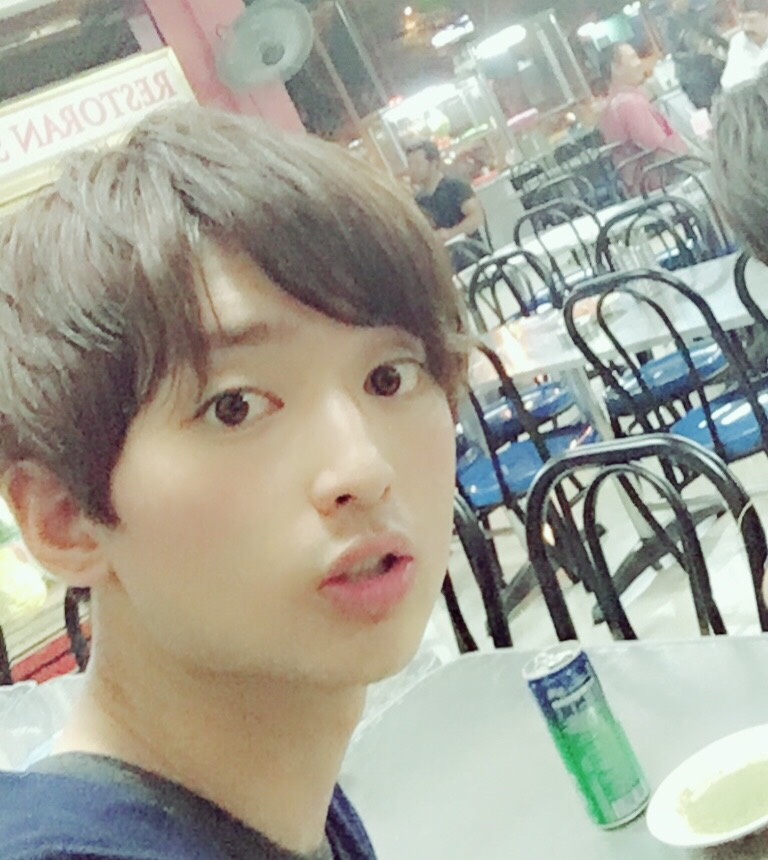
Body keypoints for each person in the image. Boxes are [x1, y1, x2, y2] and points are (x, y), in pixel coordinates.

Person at [0, 105, 466, 859]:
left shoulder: (273, 796)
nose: (363, 469)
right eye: (236, 406)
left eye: (390, 375)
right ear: (65, 518)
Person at [599, 42, 688, 194]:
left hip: (639, 186)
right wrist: (694, 156)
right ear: (616, 68)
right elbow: (663, 149)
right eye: (632, 58)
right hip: (662, 183)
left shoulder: (611, 105)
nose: (639, 63)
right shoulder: (629, 104)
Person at [405, 140, 487, 271]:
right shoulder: (418, 201)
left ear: (433, 163)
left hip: (472, 258)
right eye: (410, 164)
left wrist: (451, 233)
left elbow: (477, 216)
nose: (412, 170)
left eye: (418, 164)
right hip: (445, 266)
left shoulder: (455, 186)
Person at [665, 0, 727, 109]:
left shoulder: (695, 15)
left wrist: (729, 47)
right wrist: (696, 55)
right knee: (710, 109)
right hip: (691, 79)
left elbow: (713, 35)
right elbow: (675, 54)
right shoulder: (669, 23)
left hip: (711, 70)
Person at [720, 0, 768, 90]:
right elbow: (728, 83)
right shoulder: (738, 41)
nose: (746, 27)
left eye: (752, 21)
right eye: (742, 21)